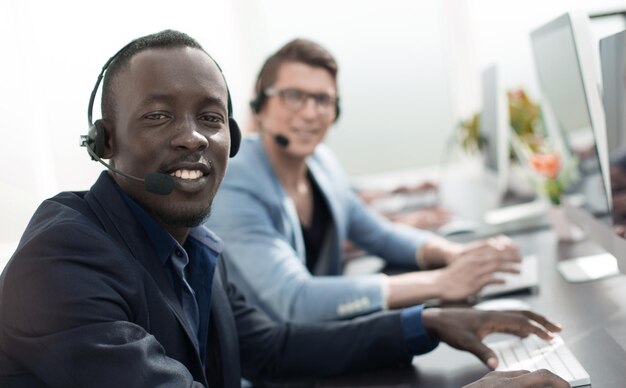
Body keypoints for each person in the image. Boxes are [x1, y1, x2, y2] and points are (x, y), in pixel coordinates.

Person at [0, 30, 568, 388]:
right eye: (157, 116)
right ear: (105, 144)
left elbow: (271, 348)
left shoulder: (192, 244)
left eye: (211, 118)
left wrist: (429, 322)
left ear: (234, 137)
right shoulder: (64, 258)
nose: (193, 137)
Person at [206, 38, 523, 324]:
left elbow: (380, 235)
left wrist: (452, 253)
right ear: (259, 106)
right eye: (293, 96)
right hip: (268, 369)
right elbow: (293, 301)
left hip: (323, 342)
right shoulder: (235, 181)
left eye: (323, 100)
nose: (310, 113)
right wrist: (442, 283)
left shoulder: (322, 165)